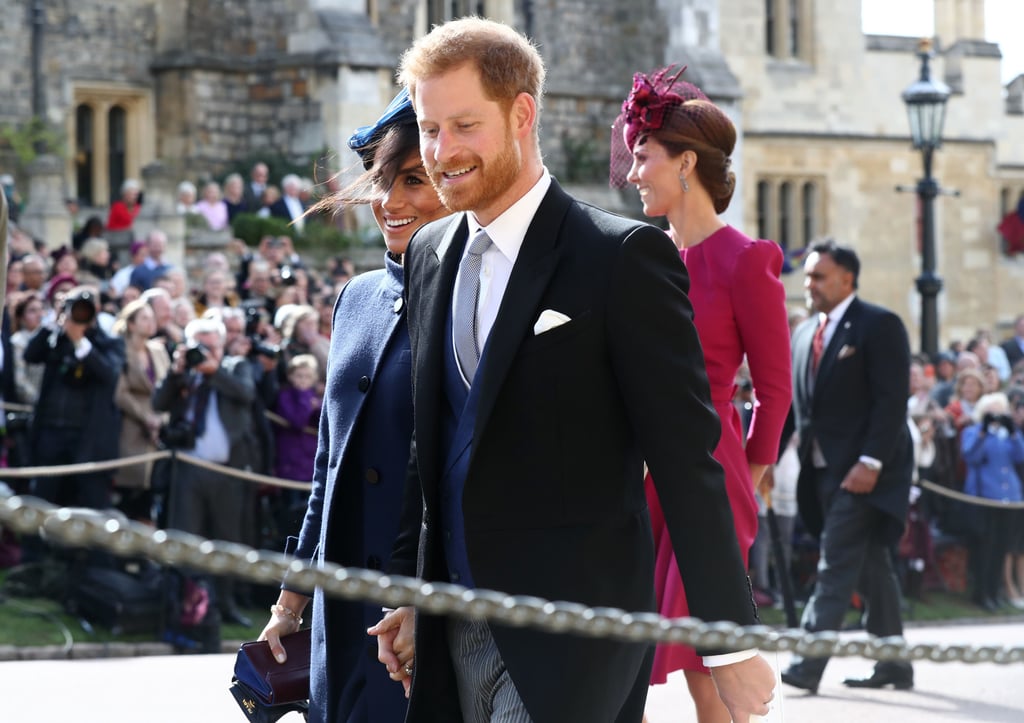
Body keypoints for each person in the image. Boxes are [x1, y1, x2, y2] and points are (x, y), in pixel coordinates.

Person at [368, 17, 774, 723]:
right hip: (450, 629)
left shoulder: (621, 257)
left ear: (522, 114)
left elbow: (686, 458)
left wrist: (728, 641)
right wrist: (407, 589)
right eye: (431, 129)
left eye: (464, 126)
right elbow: (427, 447)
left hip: (575, 640)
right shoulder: (429, 251)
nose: (441, 152)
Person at [257, 87, 451, 723]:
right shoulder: (356, 297)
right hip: (337, 622)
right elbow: (328, 465)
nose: (389, 202)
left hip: (420, 623)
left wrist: (431, 599)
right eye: (382, 181)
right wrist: (290, 603)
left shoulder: (475, 302)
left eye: (413, 180)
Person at [612, 65, 792, 723]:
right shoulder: (639, 253)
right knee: (674, 659)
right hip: (642, 475)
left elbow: (775, 386)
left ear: (685, 162)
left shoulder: (747, 258)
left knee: (711, 661)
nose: (631, 173)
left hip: (714, 472)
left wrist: (751, 471)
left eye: (642, 156)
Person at [781, 240, 915, 693]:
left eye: (819, 276)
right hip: (819, 473)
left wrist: (871, 461)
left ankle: (807, 662)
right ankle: (894, 662)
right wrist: (765, 460)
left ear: (847, 279)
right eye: (807, 275)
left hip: (867, 473)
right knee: (871, 565)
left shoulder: (879, 326)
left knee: (835, 562)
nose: (808, 284)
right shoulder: (802, 334)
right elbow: (793, 408)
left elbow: (891, 401)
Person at [152, 315, 258, 627]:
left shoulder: (235, 367)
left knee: (228, 539)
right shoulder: (184, 373)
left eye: (212, 346)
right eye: (200, 346)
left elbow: (246, 394)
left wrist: (213, 372)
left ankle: (225, 604)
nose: (206, 352)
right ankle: (189, 603)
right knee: (187, 537)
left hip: (229, 472)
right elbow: (159, 402)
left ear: (222, 346)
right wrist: (176, 372)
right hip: (189, 469)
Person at [959, 392, 1024, 610]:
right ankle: (982, 592)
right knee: (985, 546)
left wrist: (1014, 432)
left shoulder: (1007, 435)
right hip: (985, 496)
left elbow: (1020, 457)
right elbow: (970, 456)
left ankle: (995, 591)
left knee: (1001, 546)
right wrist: (983, 431)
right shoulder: (972, 431)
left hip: (1009, 497)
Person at [111, 299, 171, 522]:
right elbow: (120, 391)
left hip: (157, 432)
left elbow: (169, 387)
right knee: (129, 492)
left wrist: (161, 419)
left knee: (151, 494)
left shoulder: (158, 350)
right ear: (132, 324)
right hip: (129, 428)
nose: (150, 322)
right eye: (144, 318)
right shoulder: (120, 349)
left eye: (151, 317)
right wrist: (145, 417)